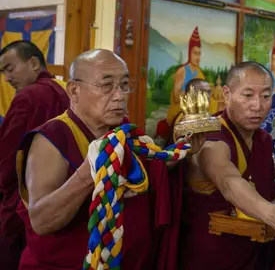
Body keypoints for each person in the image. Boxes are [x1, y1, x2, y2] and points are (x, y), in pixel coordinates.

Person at [16, 49, 173, 270]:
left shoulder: (123, 134)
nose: (119, 95)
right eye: (107, 85)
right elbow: (41, 221)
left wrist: (178, 155)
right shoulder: (52, 138)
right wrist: (90, 171)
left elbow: (152, 176)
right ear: (74, 90)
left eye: (124, 84)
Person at [179, 61, 275, 270]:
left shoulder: (263, 140)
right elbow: (228, 181)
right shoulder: (210, 139)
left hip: (254, 253)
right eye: (248, 95)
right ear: (227, 94)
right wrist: (270, 213)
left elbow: (268, 190)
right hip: (214, 257)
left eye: (265, 96)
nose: (257, 106)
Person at [0, 41, 69, 270]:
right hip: (64, 195)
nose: (7, 78)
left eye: (10, 68)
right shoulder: (65, 90)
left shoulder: (28, 97)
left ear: (33, 62)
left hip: (24, 199)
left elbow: (6, 156)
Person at [169, 77, 212, 144]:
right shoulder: (185, 119)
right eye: (202, 92)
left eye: (209, 92)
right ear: (188, 95)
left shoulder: (207, 116)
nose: (207, 96)